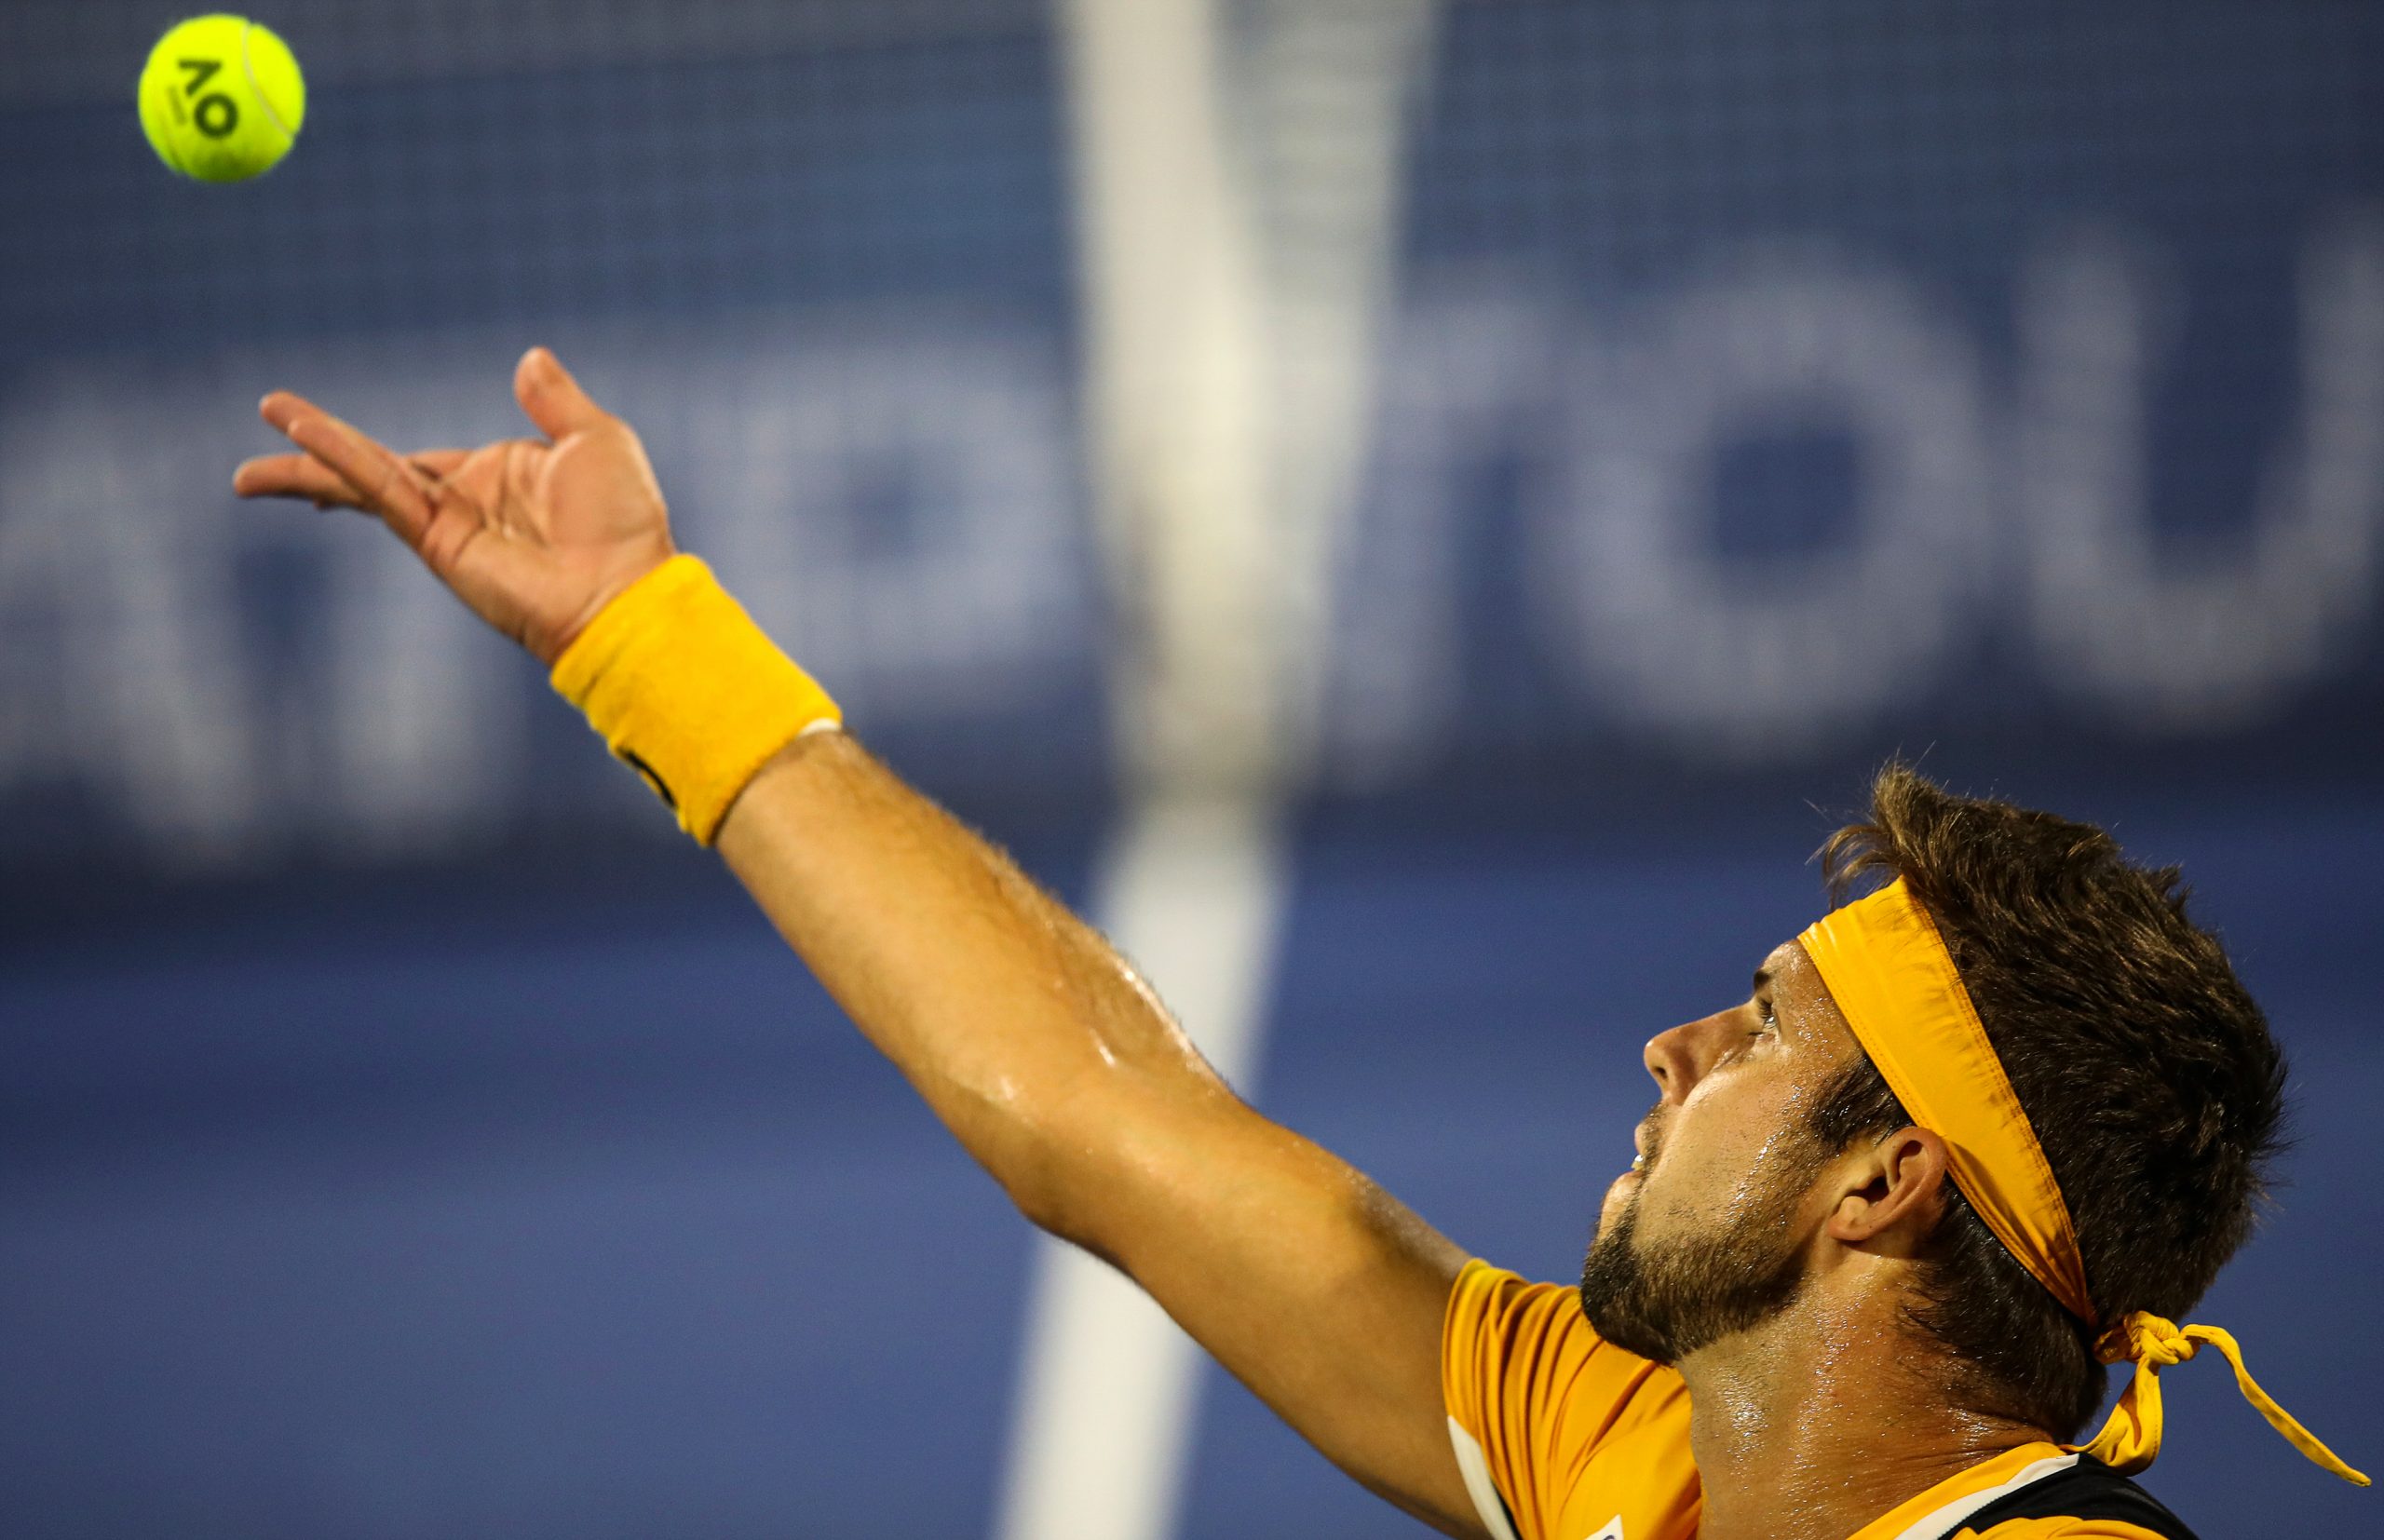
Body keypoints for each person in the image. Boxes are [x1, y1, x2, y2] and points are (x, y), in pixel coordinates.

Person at [233, 347, 2366, 1540]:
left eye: (1764, 1025)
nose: (1671, 1039)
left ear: (1883, 1178)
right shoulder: (1637, 1451)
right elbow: (1094, 1113)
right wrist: (640, 640)